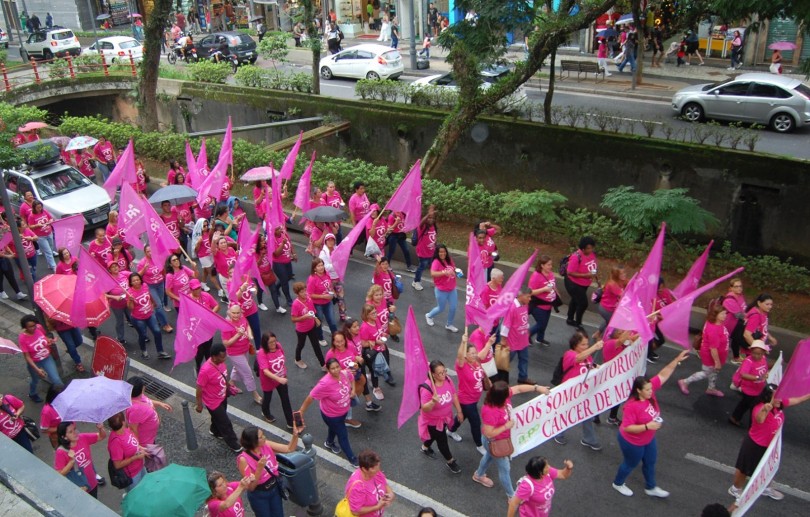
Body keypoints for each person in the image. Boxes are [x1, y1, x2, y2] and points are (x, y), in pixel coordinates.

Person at [611, 349, 691, 498]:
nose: (650, 391)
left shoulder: (649, 391)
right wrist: (648, 426)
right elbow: (628, 427)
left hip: (648, 438)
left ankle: (651, 487)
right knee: (630, 464)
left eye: (650, 388)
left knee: (650, 461)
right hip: (632, 441)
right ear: (639, 391)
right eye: (647, 390)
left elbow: (663, 374)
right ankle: (618, 483)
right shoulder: (631, 406)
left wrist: (676, 359)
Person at [728, 384, 810, 502]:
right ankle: (735, 489)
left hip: (770, 446)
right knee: (744, 469)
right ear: (767, 397)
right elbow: (760, 419)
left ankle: (765, 487)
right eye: (776, 396)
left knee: (768, 468)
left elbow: (797, 399)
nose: (780, 399)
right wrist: (767, 408)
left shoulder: (780, 404)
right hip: (755, 445)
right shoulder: (759, 407)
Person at [474, 381, 550, 497]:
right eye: (507, 394)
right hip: (494, 442)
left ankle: (479, 475)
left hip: (497, 442)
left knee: (489, 456)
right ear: (500, 397)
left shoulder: (499, 396)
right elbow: (489, 433)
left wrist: (537, 387)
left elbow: (518, 389)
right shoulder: (490, 411)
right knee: (505, 468)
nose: (510, 393)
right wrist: (506, 426)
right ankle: (512, 496)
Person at [298, 358, 358, 466]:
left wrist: (353, 391)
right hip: (332, 415)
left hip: (343, 411)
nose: (336, 370)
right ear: (328, 370)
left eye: (337, 367)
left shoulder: (345, 373)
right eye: (332, 368)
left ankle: (329, 443)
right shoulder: (324, 383)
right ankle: (352, 458)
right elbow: (311, 396)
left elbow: (352, 378)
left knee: (334, 429)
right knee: (342, 435)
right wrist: (301, 411)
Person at [554, 331, 603, 448]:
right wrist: (594, 347)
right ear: (575, 345)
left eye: (587, 344)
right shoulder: (569, 354)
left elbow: (589, 364)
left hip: (583, 393)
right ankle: (558, 433)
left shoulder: (587, 356)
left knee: (586, 415)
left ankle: (589, 439)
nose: (586, 347)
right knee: (567, 414)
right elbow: (578, 358)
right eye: (583, 345)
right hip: (570, 393)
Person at [237, 425, 299, 516]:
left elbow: (289, 448)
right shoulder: (243, 459)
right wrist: (259, 469)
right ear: (254, 441)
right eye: (261, 437)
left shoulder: (266, 445)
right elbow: (251, 487)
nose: (264, 437)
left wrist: (295, 435)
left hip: (274, 489)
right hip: (260, 494)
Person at [196, 343, 243, 453]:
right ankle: (233, 444)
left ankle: (215, 430)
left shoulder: (221, 363)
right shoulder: (205, 371)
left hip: (222, 396)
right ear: (214, 357)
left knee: (218, 418)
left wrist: (228, 387)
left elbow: (223, 376)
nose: (224, 358)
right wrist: (199, 404)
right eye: (222, 357)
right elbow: (199, 389)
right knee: (225, 423)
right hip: (212, 402)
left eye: (225, 355)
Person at [419, 360, 464, 474]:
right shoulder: (427, 388)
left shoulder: (448, 380)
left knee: (434, 436)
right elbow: (424, 408)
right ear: (433, 374)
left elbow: (454, 395)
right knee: (442, 441)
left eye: (444, 371)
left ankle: (425, 447)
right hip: (433, 422)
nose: (444, 374)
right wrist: (432, 402)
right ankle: (450, 461)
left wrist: (459, 411)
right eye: (440, 373)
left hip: (445, 418)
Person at [678, 299, 729, 397]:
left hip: (716, 355)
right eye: (723, 314)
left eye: (725, 314)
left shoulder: (716, 323)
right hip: (711, 357)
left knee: (714, 371)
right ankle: (685, 381)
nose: (725, 316)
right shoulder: (714, 329)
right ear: (716, 315)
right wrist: (717, 362)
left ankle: (711, 388)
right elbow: (713, 348)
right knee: (706, 372)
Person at [454, 334, 489, 455]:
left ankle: (451, 430)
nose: (474, 355)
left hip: (474, 399)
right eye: (471, 353)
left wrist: (489, 343)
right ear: (465, 355)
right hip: (466, 400)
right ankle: (479, 445)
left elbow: (482, 355)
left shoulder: (475, 362)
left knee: (463, 416)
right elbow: (459, 356)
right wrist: (463, 343)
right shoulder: (461, 366)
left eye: (475, 352)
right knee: (475, 422)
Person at [222, 304, 262, 405]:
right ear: (229, 312)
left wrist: (250, 335)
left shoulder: (242, 317)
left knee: (238, 368)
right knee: (248, 373)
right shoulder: (226, 325)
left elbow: (247, 325)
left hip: (244, 349)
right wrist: (238, 335)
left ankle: (231, 383)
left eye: (238, 313)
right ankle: (255, 394)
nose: (236, 315)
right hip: (235, 353)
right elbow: (226, 343)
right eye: (233, 313)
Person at [507, 456, 574, 517]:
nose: (549, 466)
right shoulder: (527, 486)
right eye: (546, 466)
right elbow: (513, 504)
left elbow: (563, 475)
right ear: (540, 472)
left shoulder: (547, 472)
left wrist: (569, 468)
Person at [19, 314, 63, 403]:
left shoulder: (39, 327)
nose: (33, 328)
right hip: (35, 363)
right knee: (35, 380)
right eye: (30, 327)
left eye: (34, 325)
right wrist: (37, 370)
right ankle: (32, 393)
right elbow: (27, 357)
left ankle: (61, 396)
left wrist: (49, 341)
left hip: (47, 358)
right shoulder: (22, 338)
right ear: (25, 327)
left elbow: (45, 337)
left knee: (57, 380)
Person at [55, 421, 106, 497]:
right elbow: (59, 474)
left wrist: (101, 428)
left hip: (92, 482)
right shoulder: (61, 452)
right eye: (70, 432)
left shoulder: (82, 438)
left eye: (75, 429)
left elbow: (101, 436)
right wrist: (71, 462)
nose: (75, 432)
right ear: (64, 437)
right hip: (80, 487)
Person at [128, 273, 171, 360]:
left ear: (140, 280)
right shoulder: (130, 293)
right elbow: (131, 309)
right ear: (131, 283)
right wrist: (130, 300)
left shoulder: (144, 286)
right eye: (134, 281)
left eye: (137, 279)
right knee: (142, 335)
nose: (136, 282)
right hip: (138, 319)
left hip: (150, 314)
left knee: (157, 332)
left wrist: (153, 302)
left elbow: (148, 294)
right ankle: (144, 351)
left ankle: (160, 352)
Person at [728, 341, 770, 427]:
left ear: (763, 353)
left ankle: (735, 418)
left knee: (744, 404)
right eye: (754, 353)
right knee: (753, 407)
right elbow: (743, 375)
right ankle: (753, 425)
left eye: (759, 354)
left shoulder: (763, 359)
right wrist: (758, 378)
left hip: (758, 388)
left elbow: (766, 367)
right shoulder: (748, 361)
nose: (756, 356)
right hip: (749, 389)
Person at [257, 332, 293, 428]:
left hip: (281, 377)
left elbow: (282, 358)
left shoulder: (278, 346)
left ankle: (290, 422)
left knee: (286, 400)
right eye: (270, 343)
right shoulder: (262, 353)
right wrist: (279, 379)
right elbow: (265, 371)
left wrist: (282, 376)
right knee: (267, 398)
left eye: (274, 341)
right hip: (268, 381)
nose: (273, 344)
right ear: (265, 343)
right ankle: (265, 412)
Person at [345, 449, 395, 515]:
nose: (378, 471)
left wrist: (391, 494)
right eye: (375, 470)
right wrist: (377, 507)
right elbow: (355, 511)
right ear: (364, 469)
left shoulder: (376, 471)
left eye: (378, 467)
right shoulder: (357, 487)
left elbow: (384, 484)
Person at [107, 412, 148, 491]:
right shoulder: (116, 442)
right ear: (123, 422)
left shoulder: (125, 430)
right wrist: (135, 457)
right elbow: (117, 465)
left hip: (140, 467)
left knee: (144, 488)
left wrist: (140, 448)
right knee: (135, 495)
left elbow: (133, 444)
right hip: (132, 475)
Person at [564, 236, 598, 331]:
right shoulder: (576, 257)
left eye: (592, 247)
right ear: (583, 248)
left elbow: (593, 266)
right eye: (588, 248)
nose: (591, 250)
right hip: (573, 283)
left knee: (575, 300)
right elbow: (569, 272)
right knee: (583, 303)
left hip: (584, 283)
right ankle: (578, 323)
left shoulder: (592, 254)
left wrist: (594, 276)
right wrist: (586, 275)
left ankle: (570, 319)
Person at [126, 376, 172, 446]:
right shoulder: (135, 410)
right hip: (145, 444)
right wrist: (138, 447)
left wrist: (160, 404)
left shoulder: (138, 396)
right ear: (141, 389)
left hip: (150, 437)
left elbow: (148, 401)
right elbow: (133, 429)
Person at [136, 245, 173, 333]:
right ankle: (165, 325)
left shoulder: (158, 258)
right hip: (150, 286)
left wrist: (166, 280)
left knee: (160, 303)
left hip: (160, 283)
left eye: (151, 251)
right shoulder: (142, 263)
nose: (150, 253)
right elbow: (138, 276)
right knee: (159, 305)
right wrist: (144, 269)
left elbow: (163, 270)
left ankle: (156, 317)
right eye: (148, 251)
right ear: (145, 253)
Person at [502, 288, 534, 384]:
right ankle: (501, 379)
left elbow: (525, 319)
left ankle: (523, 377)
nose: (530, 299)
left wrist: (527, 330)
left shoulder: (525, 305)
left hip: (523, 339)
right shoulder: (512, 308)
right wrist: (503, 340)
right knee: (506, 362)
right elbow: (506, 325)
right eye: (528, 296)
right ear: (521, 296)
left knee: (524, 359)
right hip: (512, 341)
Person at [291, 281, 325, 369]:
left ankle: (323, 364)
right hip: (301, 330)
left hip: (311, 326)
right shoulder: (295, 304)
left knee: (316, 345)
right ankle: (297, 359)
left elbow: (312, 311)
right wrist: (304, 317)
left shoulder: (309, 299)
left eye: (305, 290)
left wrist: (316, 318)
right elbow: (293, 319)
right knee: (301, 345)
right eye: (302, 292)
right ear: (297, 293)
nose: (304, 293)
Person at [425, 244, 459, 333]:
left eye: (444, 251)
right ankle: (429, 315)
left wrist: (457, 272)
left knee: (453, 307)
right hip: (441, 290)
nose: (442, 253)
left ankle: (449, 324)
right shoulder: (436, 262)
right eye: (440, 252)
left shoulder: (449, 260)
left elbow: (454, 268)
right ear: (437, 253)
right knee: (441, 308)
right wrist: (444, 272)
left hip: (452, 289)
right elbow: (433, 273)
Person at [722, 277, 747, 365]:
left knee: (736, 340)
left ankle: (736, 357)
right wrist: (750, 319)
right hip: (732, 325)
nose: (739, 288)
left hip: (739, 324)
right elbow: (739, 314)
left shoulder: (740, 296)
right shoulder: (729, 299)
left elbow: (744, 309)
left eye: (740, 286)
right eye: (736, 287)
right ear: (731, 288)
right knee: (743, 341)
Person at [412, 206, 437, 291]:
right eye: (429, 218)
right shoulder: (422, 227)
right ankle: (416, 281)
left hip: (431, 252)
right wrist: (428, 215)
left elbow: (434, 238)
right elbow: (421, 223)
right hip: (423, 253)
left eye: (432, 218)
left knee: (433, 266)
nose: (431, 220)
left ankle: (436, 281)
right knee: (421, 267)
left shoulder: (433, 227)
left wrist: (435, 247)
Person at [597, 265, 627, 335]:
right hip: (606, 309)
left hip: (610, 308)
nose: (624, 274)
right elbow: (623, 296)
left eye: (624, 272)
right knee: (612, 326)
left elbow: (632, 282)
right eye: (622, 274)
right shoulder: (612, 284)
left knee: (608, 321)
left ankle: (597, 334)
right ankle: (604, 341)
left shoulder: (621, 280)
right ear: (616, 275)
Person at [26, 201, 56, 272]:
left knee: (51, 248)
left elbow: (51, 218)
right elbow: (30, 226)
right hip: (40, 236)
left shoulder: (44, 211)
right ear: (34, 208)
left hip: (49, 233)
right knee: (48, 251)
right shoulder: (31, 216)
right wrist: (37, 225)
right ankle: (54, 266)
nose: (40, 209)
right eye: (38, 208)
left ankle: (49, 263)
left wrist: (50, 221)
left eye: (40, 207)